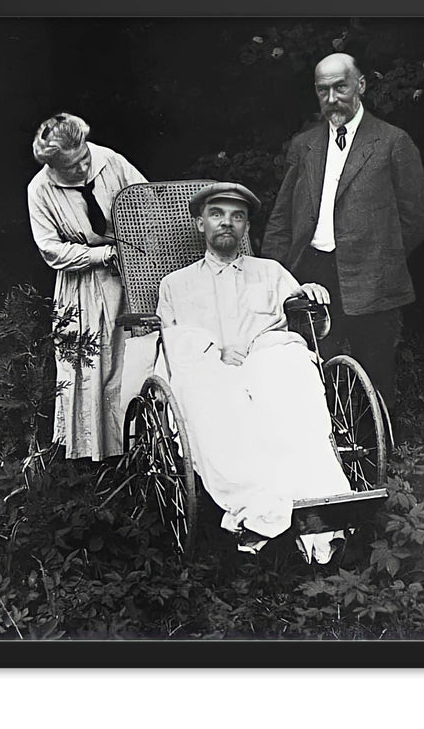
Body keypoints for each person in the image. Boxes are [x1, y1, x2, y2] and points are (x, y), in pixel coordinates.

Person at [156, 182, 352, 563]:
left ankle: (324, 504)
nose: (226, 223)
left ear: (246, 227)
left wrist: (310, 293)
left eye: (237, 216)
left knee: (292, 372)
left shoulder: (271, 273)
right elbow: (173, 342)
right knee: (210, 395)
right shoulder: (176, 285)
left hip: (266, 365)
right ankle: (259, 507)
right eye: (216, 214)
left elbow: (307, 318)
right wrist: (214, 350)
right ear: (200, 223)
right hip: (210, 369)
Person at [261, 53, 424, 411]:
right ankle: (321, 443)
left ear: (361, 85)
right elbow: (282, 217)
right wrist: (277, 274)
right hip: (312, 274)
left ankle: (376, 447)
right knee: (311, 370)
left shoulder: (392, 141)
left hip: (373, 277)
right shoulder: (304, 145)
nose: (332, 98)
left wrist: (383, 257)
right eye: (322, 90)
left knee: (375, 377)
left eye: (340, 87)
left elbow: (418, 214)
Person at [27, 112, 147, 461]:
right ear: (52, 166)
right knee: (90, 364)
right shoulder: (40, 190)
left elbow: (146, 201)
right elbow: (50, 248)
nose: (82, 168)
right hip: (82, 283)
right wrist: (99, 255)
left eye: (83, 158)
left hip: (129, 275)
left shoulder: (109, 160)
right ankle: (94, 455)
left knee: (129, 358)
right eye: (71, 167)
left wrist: (132, 249)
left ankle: (138, 447)